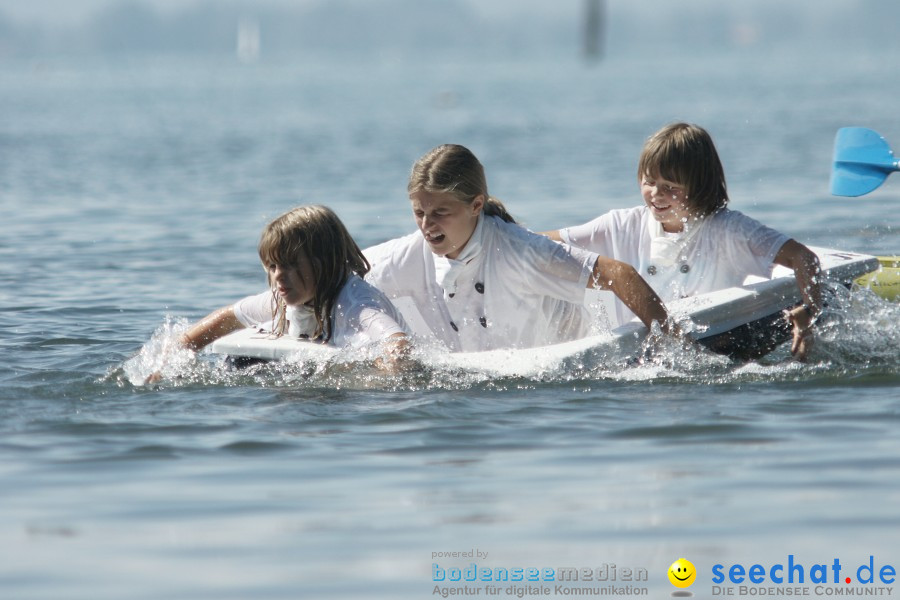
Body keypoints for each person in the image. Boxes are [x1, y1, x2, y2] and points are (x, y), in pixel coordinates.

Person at [542, 122, 822, 360]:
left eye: (671, 188)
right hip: (633, 353)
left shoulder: (730, 229)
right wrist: (499, 224)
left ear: (699, 186)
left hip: (712, 350)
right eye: (649, 182)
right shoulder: (620, 225)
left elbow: (803, 257)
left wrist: (809, 312)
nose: (656, 194)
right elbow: (539, 244)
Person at [363, 144, 670, 353]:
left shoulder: (522, 252)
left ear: (476, 205)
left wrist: (672, 343)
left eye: (441, 213)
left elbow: (620, 274)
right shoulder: (408, 255)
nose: (427, 225)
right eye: (419, 213)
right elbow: (347, 276)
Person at [148, 205, 409, 382]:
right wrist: (169, 361)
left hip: (347, 394)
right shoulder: (280, 298)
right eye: (272, 266)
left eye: (292, 265)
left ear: (324, 261)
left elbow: (397, 342)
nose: (278, 276)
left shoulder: (355, 302)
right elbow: (225, 318)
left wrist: (382, 374)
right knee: (238, 363)